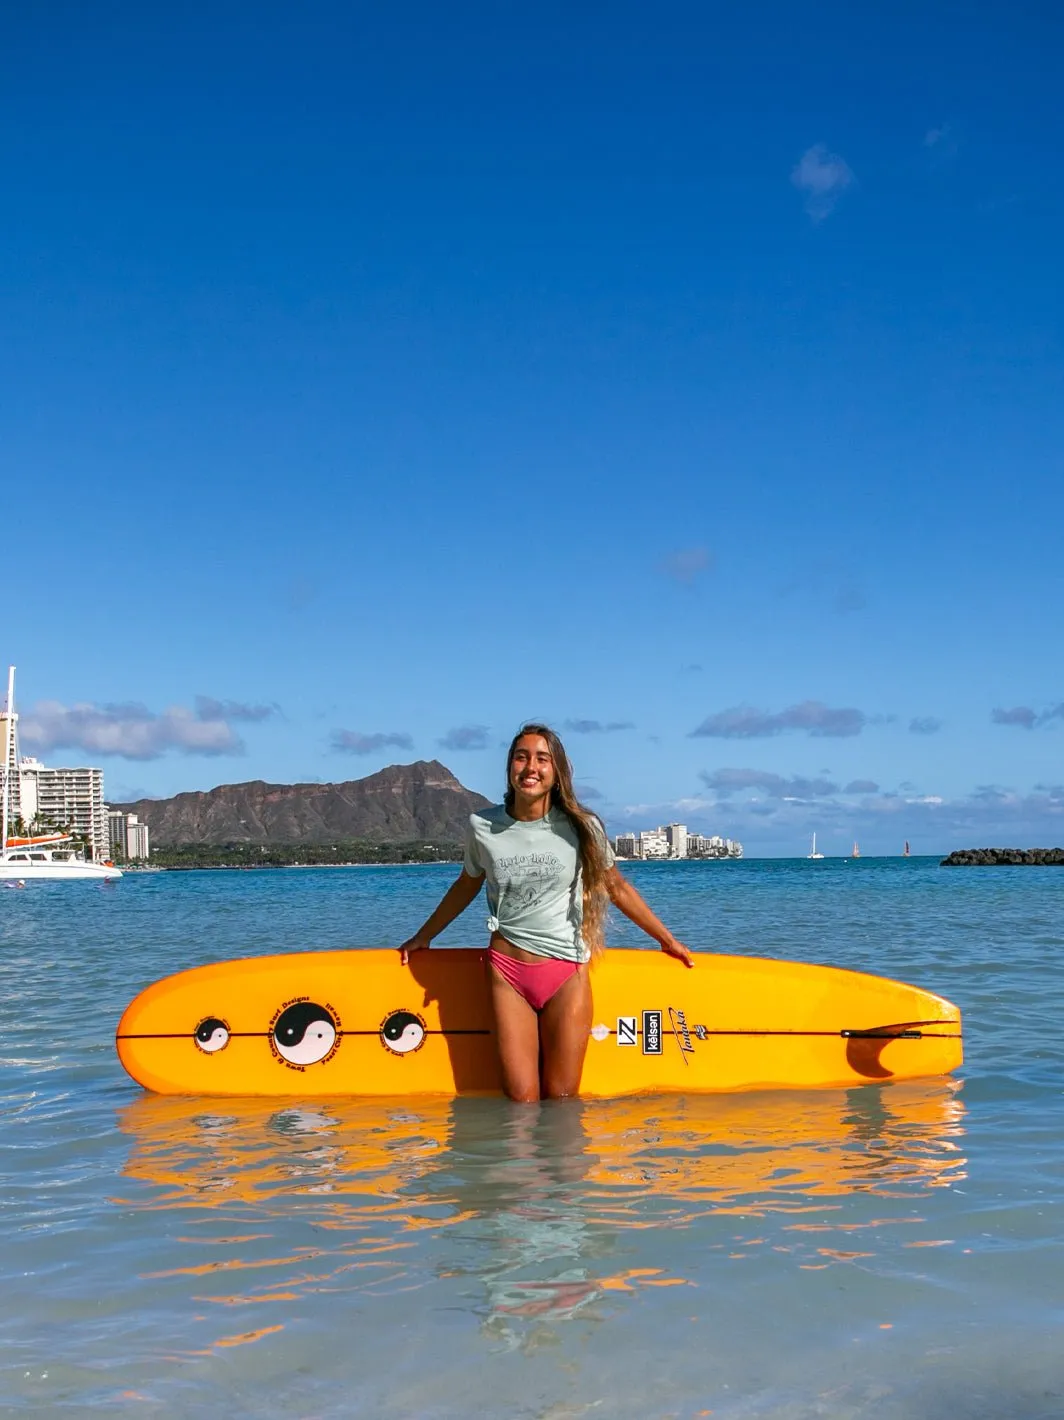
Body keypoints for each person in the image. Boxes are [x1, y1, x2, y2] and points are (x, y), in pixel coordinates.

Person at [398, 723, 692, 1103]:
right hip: (507, 972)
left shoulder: (581, 827)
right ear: (509, 767)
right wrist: (425, 936)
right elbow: (467, 884)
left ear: (557, 772)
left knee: (562, 1101)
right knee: (520, 1102)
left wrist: (667, 940)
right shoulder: (483, 826)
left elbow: (616, 887)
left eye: (542, 758)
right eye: (521, 757)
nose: (530, 767)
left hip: (565, 971)